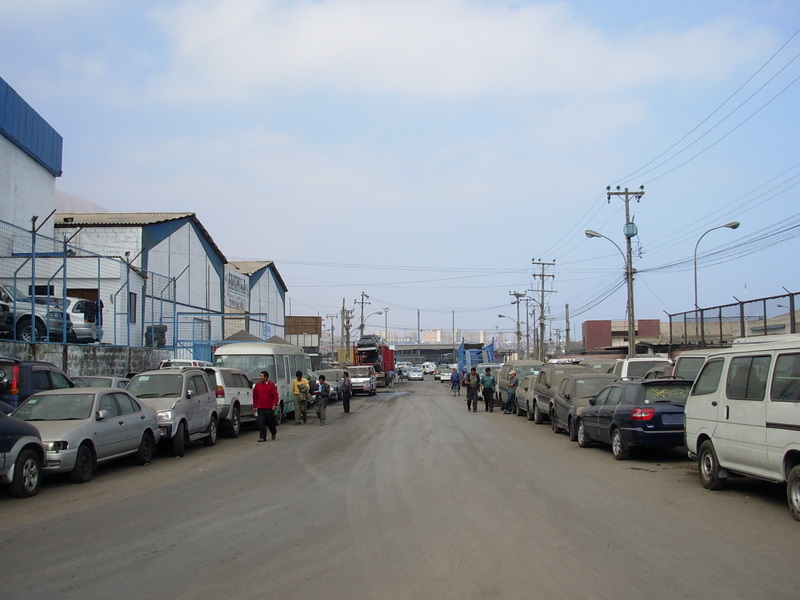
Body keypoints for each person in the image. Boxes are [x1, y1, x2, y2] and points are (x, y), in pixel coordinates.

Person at [253, 371, 279, 442]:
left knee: (270, 423)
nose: (260, 377)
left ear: (266, 377)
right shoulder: (257, 385)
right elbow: (255, 395)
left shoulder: (271, 385)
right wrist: (255, 406)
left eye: (261, 376)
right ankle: (262, 437)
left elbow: (275, 395)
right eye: (260, 376)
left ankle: (273, 432)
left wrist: (274, 404)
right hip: (260, 407)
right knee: (261, 422)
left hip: (269, 408)